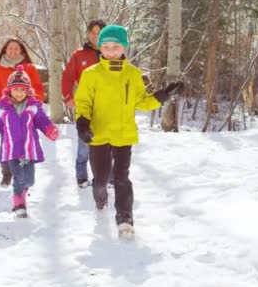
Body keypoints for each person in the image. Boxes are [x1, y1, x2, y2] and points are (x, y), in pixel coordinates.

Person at [73, 25, 183, 238]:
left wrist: (163, 95)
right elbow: (84, 102)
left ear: (124, 48)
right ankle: (100, 197)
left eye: (116, 46)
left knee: (122, 177)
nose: (111, 50)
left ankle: (125, 218)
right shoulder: (91, 74)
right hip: (99, 134)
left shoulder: (133, 74)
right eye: (106, 46)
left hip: (123, 135)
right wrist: (83, 124)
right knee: (101, 180)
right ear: (100, 48)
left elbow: (141, 102)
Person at [0, 65, 58, 218]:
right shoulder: (2, 107)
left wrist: (50, 130)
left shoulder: (33, 106)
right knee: (19, 179)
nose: (19, 93)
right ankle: (19, 204)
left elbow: (42, 121)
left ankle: (22, 193)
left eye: (22, 90)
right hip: (12, 150)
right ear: (9, 90)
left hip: (29, 149)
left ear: (27, 90)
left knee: (30, 180)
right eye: (16, 89)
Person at [0, 38, 45, 188]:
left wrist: (33, 105)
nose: (13, 51)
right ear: (5, 50)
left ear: (22, 51)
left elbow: (38, 89)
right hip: (6, 111)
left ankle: (23, 171)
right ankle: (6, 172)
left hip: (25, 112)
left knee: (24, 141)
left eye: (16, 49)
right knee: (6, 141)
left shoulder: (29, 68)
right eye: (10, 48)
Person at [61, 19, 106, 188]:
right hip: (85, 106)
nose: (96, 36)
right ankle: (81, 177)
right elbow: (67, 77)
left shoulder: (111, 54)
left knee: (106, 143)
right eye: (93, 32)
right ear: (88, 34)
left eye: (100, 32)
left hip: (106, 106)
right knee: (84, 144)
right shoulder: (79, 55)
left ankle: (105, 177)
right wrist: (68, 97)